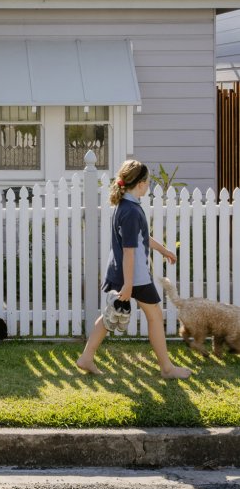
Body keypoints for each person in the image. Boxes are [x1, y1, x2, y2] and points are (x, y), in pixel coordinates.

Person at [76, 158, 191, 380]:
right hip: (134, 276)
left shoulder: (126, 206)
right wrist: (129, 285)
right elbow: (130, 251)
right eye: (147, 181)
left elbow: (140, 238)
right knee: (155, 316)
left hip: (121, 272)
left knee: (110, 315)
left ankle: (86, 357)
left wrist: (163, 250)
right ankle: (167, 369)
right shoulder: (130, 211)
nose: (148, 185)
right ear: (139, 183)